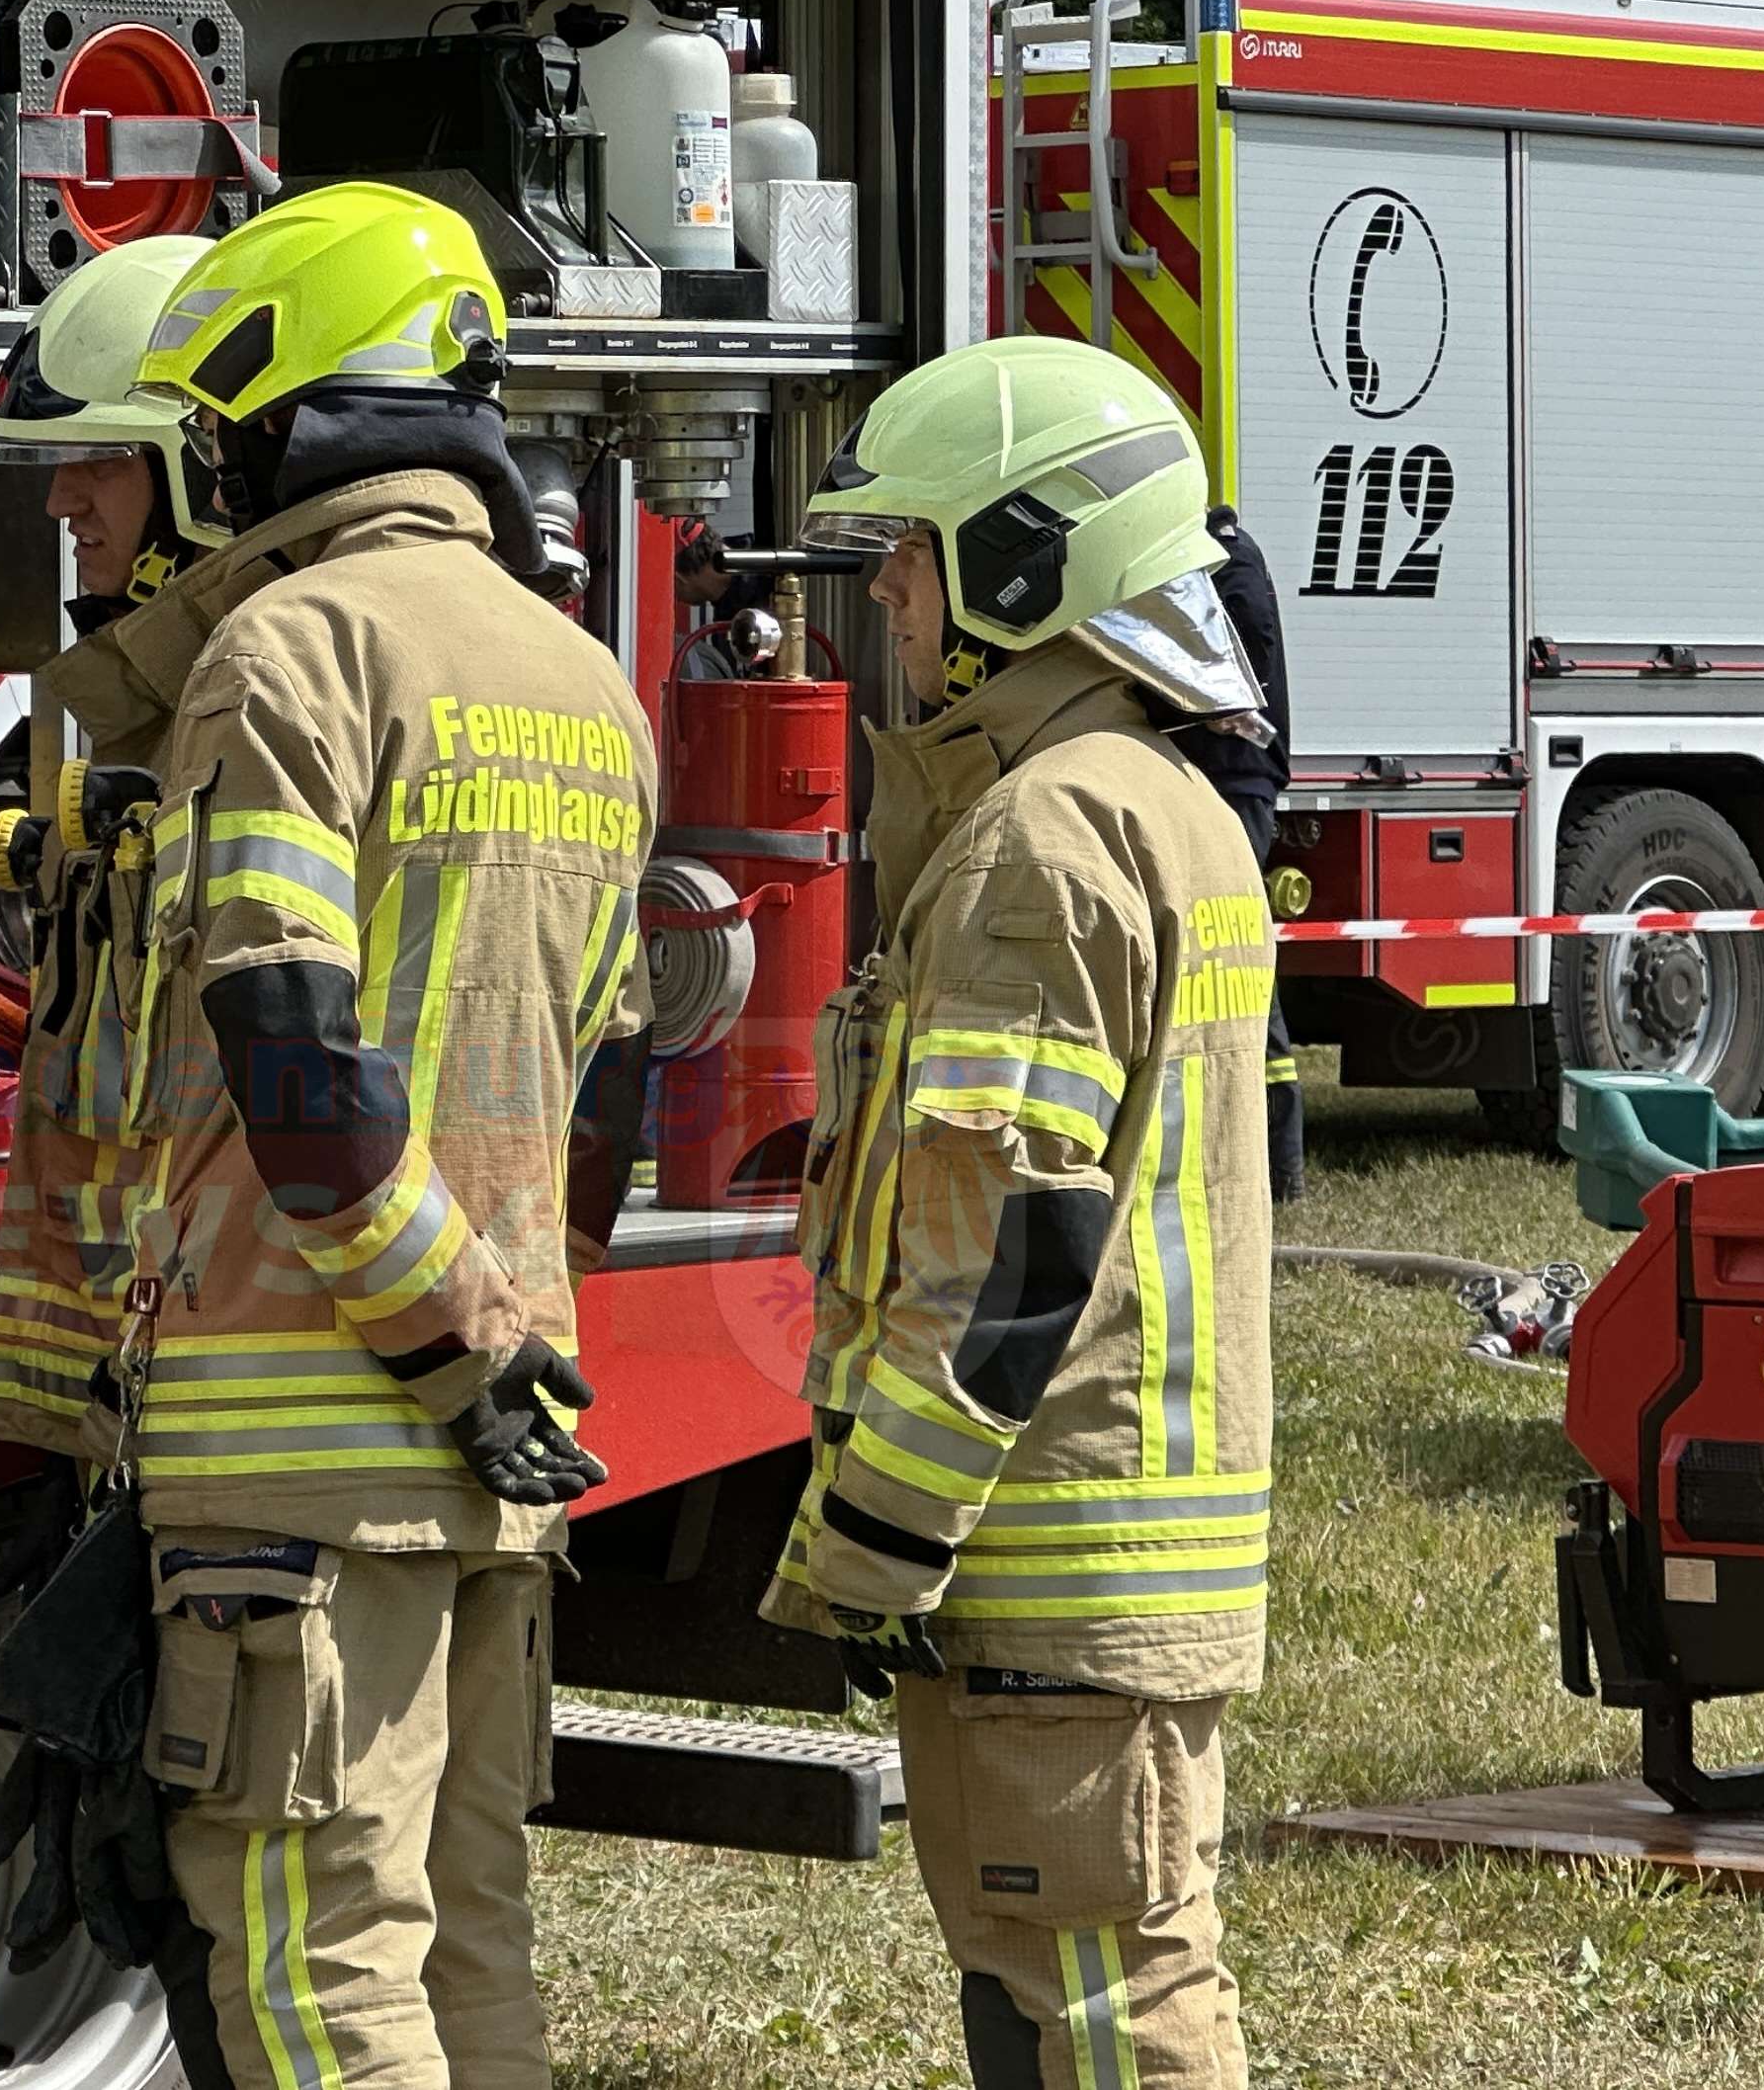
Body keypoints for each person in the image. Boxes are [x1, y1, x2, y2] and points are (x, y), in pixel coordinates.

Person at [110, 181, 659, 2089]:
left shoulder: (288, 652)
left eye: (216, 422)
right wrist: (505, 1342)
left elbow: (289, 1034)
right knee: (465, 1939)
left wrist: (443, 1333)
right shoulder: (583, 679)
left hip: (315, 1453)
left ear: (295, 413)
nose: (202, 466)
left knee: (314, 1961)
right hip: (502, 1464)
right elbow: (610, 1082)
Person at [760, 334, 1275, 2090]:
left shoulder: (1039, 840)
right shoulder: (1164, 803)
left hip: (1049, 1544)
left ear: (1022, 561)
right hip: (1114, 1535)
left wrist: (875, 1537)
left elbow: (1011, 1249)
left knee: (1105, 1999)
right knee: (1078, 1981)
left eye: (909, 554)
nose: (886, 599)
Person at [0, 233, 247, 1468]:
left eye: (99, 461)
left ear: (201, 467)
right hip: (122, 1388)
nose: (60, 501)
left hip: (208, 1378)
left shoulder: (256, 707)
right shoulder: (152, 702)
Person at [1170, 507, 1302, 1202]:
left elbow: (1244, 638)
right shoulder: (1217, 557)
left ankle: (1277, 1165)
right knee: (1233, 966)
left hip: (1235, 778)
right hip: (1223, 777)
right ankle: (1262, 1160)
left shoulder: (1226, 557)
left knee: (1233, 965)